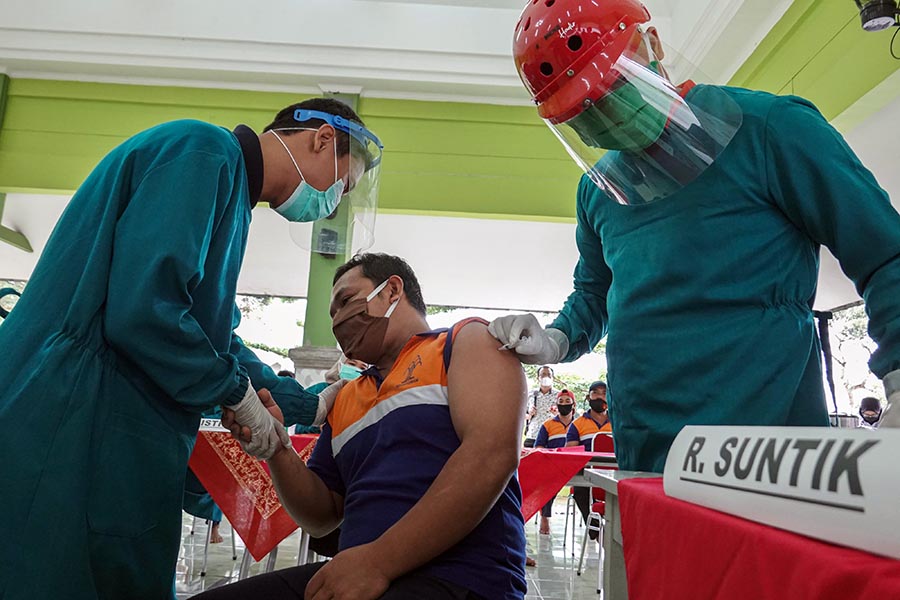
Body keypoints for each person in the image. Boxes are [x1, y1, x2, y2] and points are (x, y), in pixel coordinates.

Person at [490, 0, 900, 472]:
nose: (605, 119)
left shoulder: (772, 131)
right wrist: (556, 339)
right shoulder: (597, 193)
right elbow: (594, 295)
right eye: (584, 114)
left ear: (651, 44)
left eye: (610, 92)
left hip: (769, 451)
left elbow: (885, 253)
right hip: (647, 449)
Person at [0, 97, 383, 600]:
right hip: (73, 408)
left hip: (118, 421)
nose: (331, 203)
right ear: (321, 139)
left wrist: (307, 403)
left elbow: (212, 336)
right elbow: (145, 311)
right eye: (341, 185)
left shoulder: (231, 198)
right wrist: (235, 393)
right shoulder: (202, 151)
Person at [208, 253, 528, 600]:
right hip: (358, 574)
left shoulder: (465, 341)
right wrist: (277, 448)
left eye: (346, 301)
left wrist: (378, 562)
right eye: (332, 314)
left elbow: (490, 455)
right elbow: (322, 516)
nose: (338, 321)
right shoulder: (347, 396)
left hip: (464, 577)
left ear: (392, 290)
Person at [566, 380, 610, 537]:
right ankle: (595, 531)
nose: (600, 397)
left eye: (604, 393)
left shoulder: (618, 423)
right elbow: (570, 451)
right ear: (588, 397)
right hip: (586, 474)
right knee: (580, 491)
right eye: (595, 393)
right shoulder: (577, 424)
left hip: (612, 475)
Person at [534, 389, 577, 535]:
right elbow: (539, 446)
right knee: (547, 484)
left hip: (575, 465)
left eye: (567, 401)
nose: (564, 404)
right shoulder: (547, 425)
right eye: (561, 402)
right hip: (553, 465)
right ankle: (545, 517)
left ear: (573, 404)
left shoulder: (579, 424)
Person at [523, 365, 558, 447]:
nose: (546, 377)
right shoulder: (530, 394)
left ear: (553, 378)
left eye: (549, 375)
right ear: (538, 378)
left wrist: (557, 414)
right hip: (532, 435)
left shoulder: (559, 395)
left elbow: (566, 416)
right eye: (543, 374)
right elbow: (521, 415)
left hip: (551, 436)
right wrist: (530, 414)